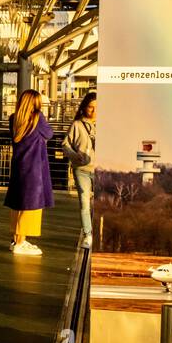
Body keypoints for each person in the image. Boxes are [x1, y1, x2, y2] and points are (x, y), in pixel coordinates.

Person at [5, 89, 54, 256]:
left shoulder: (14, 119)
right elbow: (49, 133)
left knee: (18, 203)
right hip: (34, 167)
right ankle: (20, 243)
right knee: (30, 206)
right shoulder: (38, 118)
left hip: (19, 165)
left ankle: (17, 240)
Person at [63, 91, 96, 248]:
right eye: (90, 107)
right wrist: (74, 155)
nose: (94, 111)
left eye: (97, 108)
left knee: (102, 203)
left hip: (100, 170)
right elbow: (65, 145)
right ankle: (88, 234)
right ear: (84, 108)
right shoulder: (77, 125)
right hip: (81, 168)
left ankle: (98, 232)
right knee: (84, 201)